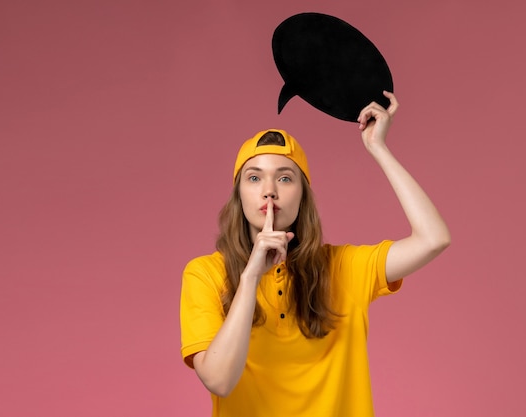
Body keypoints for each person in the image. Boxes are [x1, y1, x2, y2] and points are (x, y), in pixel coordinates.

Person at [180, 92, 450, 416]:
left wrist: (378, 148)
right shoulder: (205, 274)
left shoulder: (343, 268)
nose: (269, 189)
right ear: (239, 195)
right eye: (254, 178)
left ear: (302, 195)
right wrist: (251, 277)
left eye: (284, 177)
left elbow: (434, 238)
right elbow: (220, 381)